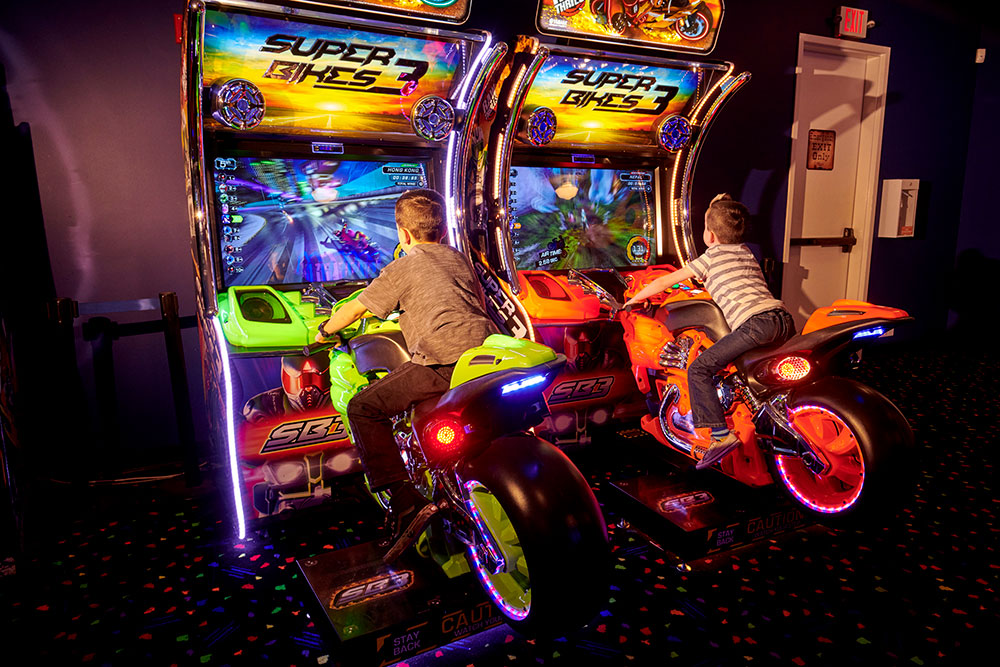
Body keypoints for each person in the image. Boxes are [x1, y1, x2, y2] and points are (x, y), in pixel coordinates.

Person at [315, 189, 497, 561]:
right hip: (483, 357)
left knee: (364, 408)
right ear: (443, 231)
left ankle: (403, 500)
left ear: (404, 234)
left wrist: (324, 331)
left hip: (441, 363)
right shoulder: (459, 259)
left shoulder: (403, 266)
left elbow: (354, 309)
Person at [624, 194, 795, 469]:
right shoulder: (744, 251)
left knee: (699, 369)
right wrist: (711, 209)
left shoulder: (709, 258)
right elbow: (719, 230)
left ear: (710, 235)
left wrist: (633, 300)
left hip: (755, 324)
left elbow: (667, 280)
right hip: (782, 320)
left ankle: (720, 435)